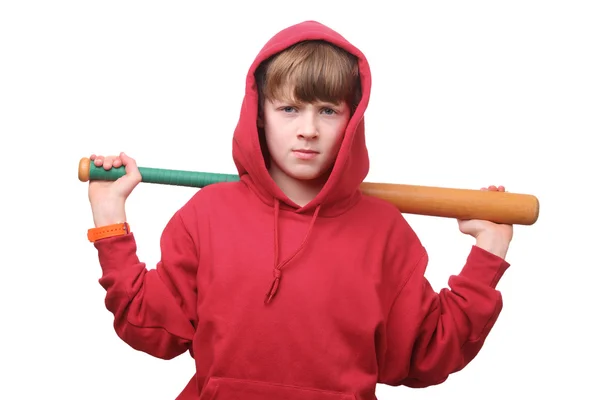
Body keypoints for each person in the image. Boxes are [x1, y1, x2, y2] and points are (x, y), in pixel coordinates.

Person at [86, 20, 514, 400]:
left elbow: (427, 352)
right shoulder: (207, 215)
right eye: (288, 108)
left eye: (327, 111)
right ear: (259, 116)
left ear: (352, 121)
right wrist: (110, 221)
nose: (308, 130)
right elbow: (151, 327)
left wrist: (488, 255)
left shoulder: (383, 231)